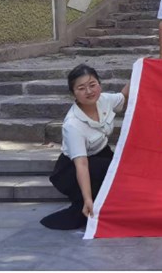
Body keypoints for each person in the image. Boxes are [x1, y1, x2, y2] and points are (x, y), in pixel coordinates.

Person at [40, 64, 129, 230]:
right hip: (73, 169)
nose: (89, 91)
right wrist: (87, 199)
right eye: (81, 88)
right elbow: (81, 164)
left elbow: (124, 96)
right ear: (73, 93)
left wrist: (141, 70)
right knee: (113, 171)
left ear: (99, 84)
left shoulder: (105, 100)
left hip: (101, 156)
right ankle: (85, 203)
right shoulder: (73, 124)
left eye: (92, 85)